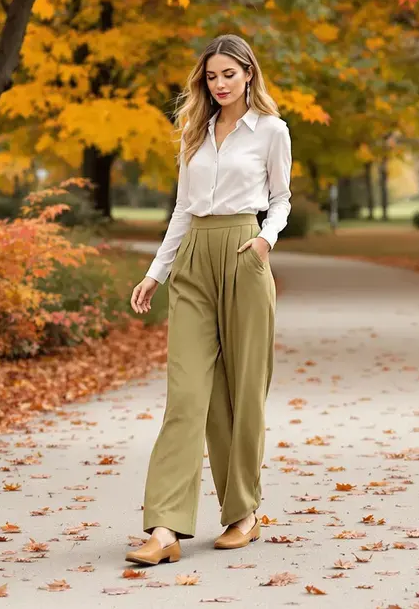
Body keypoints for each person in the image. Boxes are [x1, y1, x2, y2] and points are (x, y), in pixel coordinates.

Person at [126, 34, 291, 565]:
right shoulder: (193, 132)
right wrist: (157, 272)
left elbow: (282, 199)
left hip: (245, 253)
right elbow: (181, 208)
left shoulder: (271, 130)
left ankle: (243, 513)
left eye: (228, 74)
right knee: (187, 394)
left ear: (248, 74)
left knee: (242, 394)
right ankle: (165, 529)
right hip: (195, 258)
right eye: (211, 76)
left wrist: (266, 239)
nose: (219, 85)